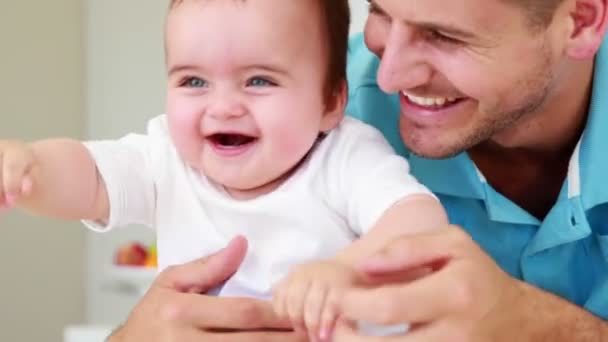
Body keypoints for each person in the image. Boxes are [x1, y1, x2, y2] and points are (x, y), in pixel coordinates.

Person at [102, 0, 608, 341]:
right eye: (380, 11)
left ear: (581, 21)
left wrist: (538, 325)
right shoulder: (300, 105)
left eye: (443, 36)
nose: (388, 76)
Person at [0, 0, 448, 341]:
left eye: (260, 80)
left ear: (330, 101)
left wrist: (347, 271)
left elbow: (417, 218)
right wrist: (30, 167)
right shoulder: (167, 158)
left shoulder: (344, 158)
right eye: (193, 81)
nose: (223, 106)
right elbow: (91, 176)